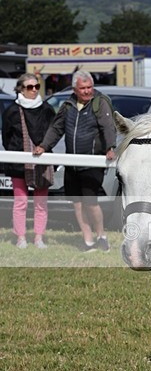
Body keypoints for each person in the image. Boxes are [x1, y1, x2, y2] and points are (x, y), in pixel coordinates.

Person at [34, 70, 116, 252]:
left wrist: (110, 148)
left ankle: (101, 236)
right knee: (77, 202)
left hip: (91, 162)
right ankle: (87, 240)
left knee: (90, 201)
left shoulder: (100, 103)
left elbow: (108, 127)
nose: (87, 91)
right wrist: (44, 146)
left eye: (90, 87)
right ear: (74, 89)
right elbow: (56, 128)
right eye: (83, 88)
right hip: (72, 163)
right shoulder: (68, 105)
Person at [1, 74, 56, 249]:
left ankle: (39, 237)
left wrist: (44, 147)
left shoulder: (46, 109)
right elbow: (6, 137)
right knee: (21, 202)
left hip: (42, 161)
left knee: (41, 203)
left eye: (36, 86)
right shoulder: (11, 111)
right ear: (20, 89)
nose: (33, 90)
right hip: (18, 163)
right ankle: (21, 237)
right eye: (29, 87)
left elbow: (53, 133)